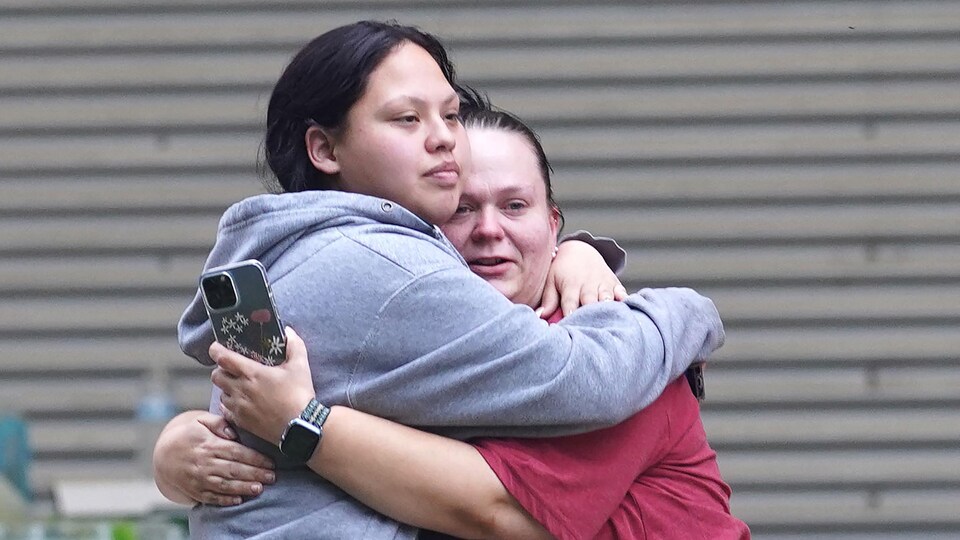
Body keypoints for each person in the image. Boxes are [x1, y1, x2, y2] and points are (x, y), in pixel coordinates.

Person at [170, 20, 724, 539]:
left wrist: (297, 424)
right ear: (325, 148)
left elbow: (496, 508)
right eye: (407, 119)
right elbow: (496, 497)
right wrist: (686, 310)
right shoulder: (393, 274)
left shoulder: (614, 360)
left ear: (554, 225)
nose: (488, 230)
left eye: (515, 206)